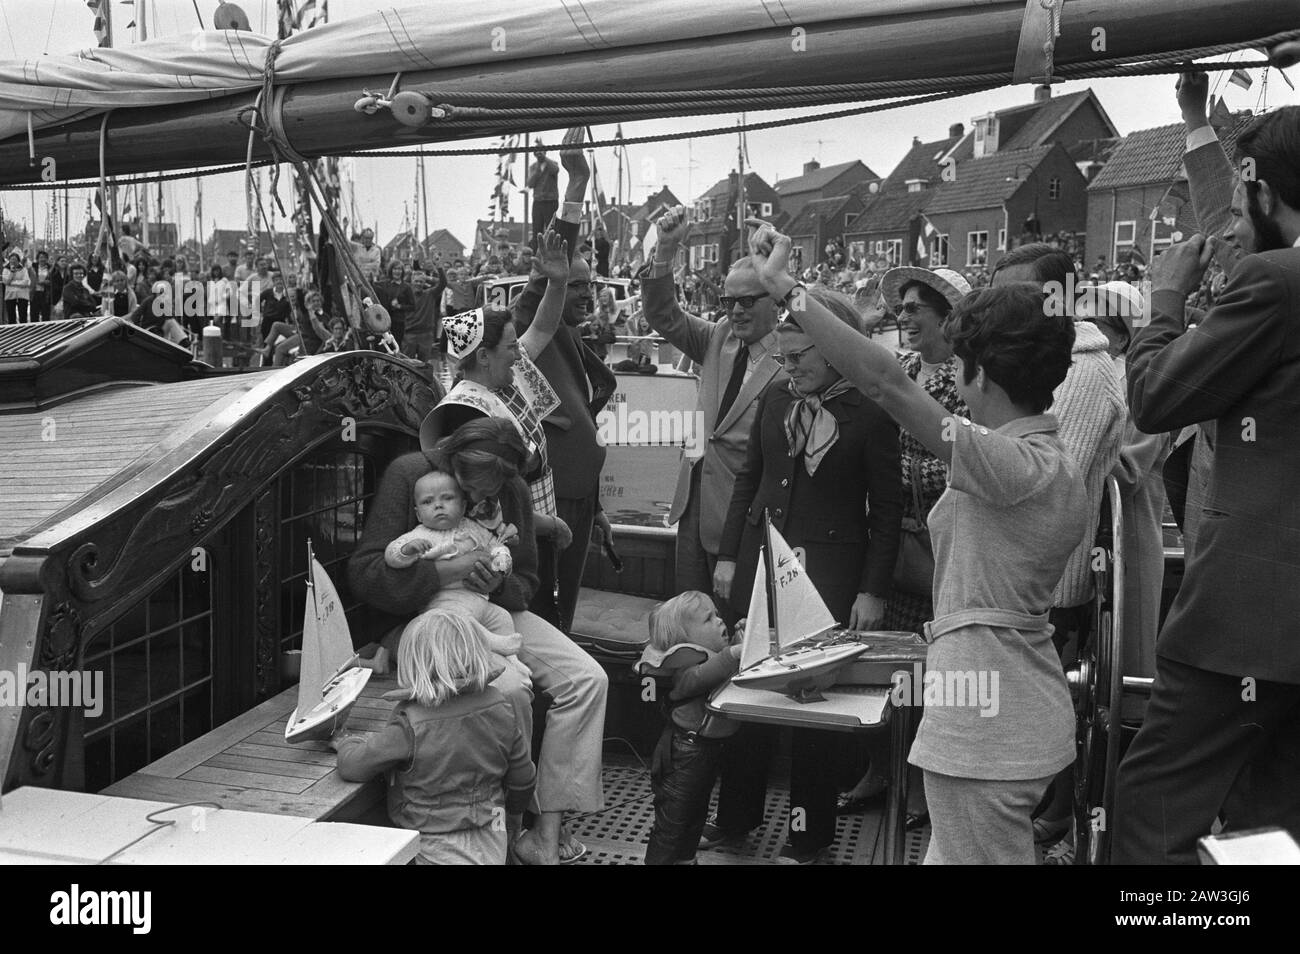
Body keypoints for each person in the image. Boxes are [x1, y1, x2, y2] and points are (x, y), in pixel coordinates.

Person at [745, 218, 1086, 865]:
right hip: (1005, 708)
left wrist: (790, 292)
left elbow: (886, 385)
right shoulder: (1044, 459)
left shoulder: (1012, 465)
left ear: (979, 375)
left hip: (987, 722)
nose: (951, 378)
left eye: (958, 365)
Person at [1113, 104, 1300, 865]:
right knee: (1272, 826)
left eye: (1241, 199)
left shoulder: (1277, 282)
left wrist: (1164, 303)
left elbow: (1157, 396)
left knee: (1149, 812)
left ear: (1266, 194)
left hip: (1247, 626)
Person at [349, 418, 608, 865]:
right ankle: (501, 827)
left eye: (497, 486)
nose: (487, 497)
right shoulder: (411, 474)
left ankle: (546, 835)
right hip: (429, 617)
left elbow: (526, 578)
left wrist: (498, 580)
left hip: (496, 609)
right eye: (477, 486)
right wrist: (443, 571)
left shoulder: (513, 490)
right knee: (507, 690)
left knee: (589, 679)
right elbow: (366, 573)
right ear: (457, 464)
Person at [709, 286, 902, 863]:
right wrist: (728, 557)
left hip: (832, 580)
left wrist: (872, 589)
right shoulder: (775, 400)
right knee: (747, 699)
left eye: (800, 359)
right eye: (785, 359)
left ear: (836, 350)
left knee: (814, 710)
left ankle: (808, 839)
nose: (789, 369)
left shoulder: (872, 411)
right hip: (762, 565)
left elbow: (887, 510)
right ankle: (735, 823)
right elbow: (750, 481)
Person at [423, 230, 576, 616]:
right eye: (510, 347)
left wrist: (558, 281)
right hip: (506, 544)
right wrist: (550, 527)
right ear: (485, 356)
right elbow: (483, 499)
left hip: (535, 525)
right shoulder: (464, 410)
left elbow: (543, 326)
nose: (518, 353)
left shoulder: (508, 374)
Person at [642, 204, 786, 607]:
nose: (735, 310)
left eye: (746, 301)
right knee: (689, 619)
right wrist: (665, 251)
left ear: (775, 299)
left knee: (734, 627)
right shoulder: (719, 336)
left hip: (745, 518)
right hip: (693, 506)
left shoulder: (794, 356)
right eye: (727, 301)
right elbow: (662, 314)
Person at [511, 129, 616, 633]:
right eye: (574, 286)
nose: (586, 295)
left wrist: (594, 506)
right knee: (547, 619)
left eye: (591, 286)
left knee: (564, 616)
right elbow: (548, 269)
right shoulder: (536, 326)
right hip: (547, 499)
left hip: (577, 497)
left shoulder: (575, 341)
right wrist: (576, 184)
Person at [331, 611, 535, 865]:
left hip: (434, 838)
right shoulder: (500, 706)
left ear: (414, 663)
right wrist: (514, 816)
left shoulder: (410, 725)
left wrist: (347, 742)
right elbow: (523, 777)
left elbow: (354, 767)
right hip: (493, 829)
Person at [381, 469, 525, 673]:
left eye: (447, 498)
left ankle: (512, 659)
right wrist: (408, 549)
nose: (438, 505)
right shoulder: (419, 535)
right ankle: (493, 644)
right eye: (427, 502)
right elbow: (392, 555)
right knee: (459, 621)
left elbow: (495, 545)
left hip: (479, 599)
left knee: (503, 618)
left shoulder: (474, 529)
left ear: (463, 505)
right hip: (445, 602)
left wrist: (502, 557)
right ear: (418, 514)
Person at [636, 591, 742, 865]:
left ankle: (686, 860)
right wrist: (733, 653)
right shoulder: (685, 665)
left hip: (706, 752)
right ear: (685, 639)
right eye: (709, 619)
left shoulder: (712, 656)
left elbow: (721, 666)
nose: (720, 621)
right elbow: (700, 678)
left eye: (717, 614)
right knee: (672, 825)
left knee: (695, 818)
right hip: (684, 753)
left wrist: (741, 642)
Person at [527, 144, 560, 245]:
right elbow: (530, 183)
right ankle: (536, 253)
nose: (539, 155)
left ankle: (551, 251)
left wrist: (545, 159)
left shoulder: (552, 164)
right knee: (537, 229)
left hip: (551, 201)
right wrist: (538, 170)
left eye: (541, 152)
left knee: (551, 229)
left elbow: (555, 170)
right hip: (538, 202)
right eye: (537, 153)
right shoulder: (533, 167)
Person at [378, 260, 415, 344]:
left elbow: (412, 306)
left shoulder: (406, 287)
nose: (397, 271)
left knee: (396, 345)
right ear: (391, 270)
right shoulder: (384, 284)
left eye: (399, 269)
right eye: (395, 269)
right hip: (384, 321)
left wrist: (399, 306)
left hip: (398, 322)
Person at [2, 250, 31, 323]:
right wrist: (12, 272)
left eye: (15, 259)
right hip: (10, 296)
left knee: (23, 316)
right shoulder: (6, 270)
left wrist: (12, 283)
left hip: (22, 295)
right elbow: (6, 282)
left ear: (18, 261)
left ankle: (24, 331)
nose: (13, 261)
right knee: (11, 316)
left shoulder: (23, 269)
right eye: (11, 259)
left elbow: (26, 282)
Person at [30, 250, 52, 321]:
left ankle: (46, 330)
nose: (42, 259)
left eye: (44, 257)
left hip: (46, 294)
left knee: (46, 314)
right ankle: (34, 330)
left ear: (47, 259)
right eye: (41, 257)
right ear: (37, 259)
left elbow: (54, 281)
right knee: (34, 314)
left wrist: (47, 282)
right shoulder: (33, 267)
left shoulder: (51, 268)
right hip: (34, 293)